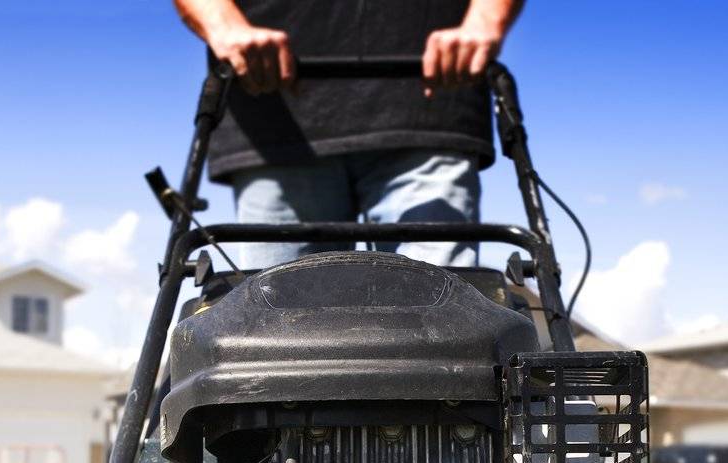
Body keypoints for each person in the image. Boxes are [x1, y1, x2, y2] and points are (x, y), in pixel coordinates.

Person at [174, 0, 524, 268]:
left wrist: (485, 20)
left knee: (443, 331)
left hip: (430, 115)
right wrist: (224, 25)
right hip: (273, 124)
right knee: (279, 335)